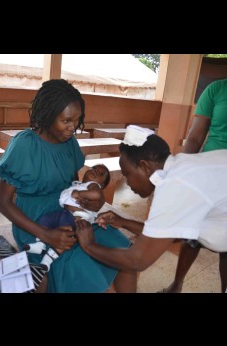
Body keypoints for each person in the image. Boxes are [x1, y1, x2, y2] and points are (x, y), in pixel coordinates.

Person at [0, 79, 137, 293]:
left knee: (121, 249)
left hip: (68, 213)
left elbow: (73, 187)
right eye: (66, 120)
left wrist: (91, 204)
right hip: (35, 222)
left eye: (77, 120)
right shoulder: (24, 145)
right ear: (48, 115)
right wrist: (45, 234)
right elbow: (3, 203)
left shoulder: (69, 143)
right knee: (78, 265)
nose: (73, 127)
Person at [75, 125, 227, 292]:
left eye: (127, 175)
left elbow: (138, 260)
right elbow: (170, 235)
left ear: (145, 166)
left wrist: (89, 246)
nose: (127, 182)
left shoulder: (176, 186)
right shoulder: (179, 167)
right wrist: (123, 222)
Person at [161, 79, 227, 293]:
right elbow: (195, 137)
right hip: (208, 175)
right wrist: (181, 175)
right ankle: (177, 284)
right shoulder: (217, 89)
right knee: (192, 233)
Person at [24, 164, 110, 271]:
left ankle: (49, 259)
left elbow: (97, 194)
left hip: (76, 218)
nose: (95, 171)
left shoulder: (93, 185)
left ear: (102, 185)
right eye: (93, 169)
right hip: (64, 213)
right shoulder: (78, 184)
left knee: (66, 235)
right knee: (44, 220)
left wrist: (79, 193)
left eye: (100, 173)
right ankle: (40, 244)